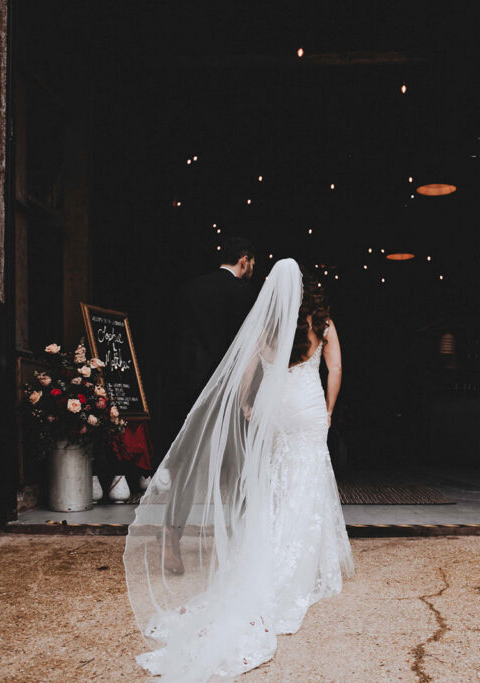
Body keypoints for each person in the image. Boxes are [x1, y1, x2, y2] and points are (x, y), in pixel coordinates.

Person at [124, 258, 353, 681]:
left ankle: (267, 548)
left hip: (278, 413)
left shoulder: (267, 329)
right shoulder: (322, 324)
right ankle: (305, 560)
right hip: (307, 409)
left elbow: (246, 372)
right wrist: (329, 409)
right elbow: (335, 368)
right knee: (308, 479)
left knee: (278, 482)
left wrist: (249, 404)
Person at [158, 237, 256, 573]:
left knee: (188, 466)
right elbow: (250, 354)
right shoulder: (244, 295)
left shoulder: (188, 290)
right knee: (239, 469)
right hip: (229, 392)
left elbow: (174, 343)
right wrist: (249, 396)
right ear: (244, 260)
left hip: (190, 390)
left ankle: (172, 539)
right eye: (252, 263)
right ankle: (239, 544)